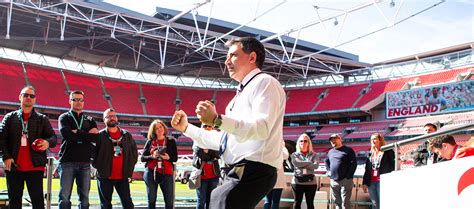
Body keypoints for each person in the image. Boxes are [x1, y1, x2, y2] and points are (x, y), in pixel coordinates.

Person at [171, 37, 286, 209]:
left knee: (219, 201)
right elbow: (223, 141)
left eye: (232, 55)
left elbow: (262, 129)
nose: (226, 62)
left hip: (252, 169)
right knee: (217, 200)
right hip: (239, 170)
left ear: (252, 57)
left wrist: (217, 120)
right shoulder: (241, 94)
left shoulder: (265, 82)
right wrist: (187, 128)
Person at [0, 86, 57, 209]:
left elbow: (53, 137)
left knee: (38, 202)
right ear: (20, 97)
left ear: (35, 99)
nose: (28, 98)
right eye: (25, 95)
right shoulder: (10, 117)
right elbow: (1, 138)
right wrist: (6, 156)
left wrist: (47, 143)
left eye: (32, 96)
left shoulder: (42, 119)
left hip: (35, 167)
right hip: (14, 166)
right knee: (14, 202)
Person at [58, 90, 99, 209]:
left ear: (83, 102)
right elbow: (67, 136)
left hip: (85, 163)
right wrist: (87, 134)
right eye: (75, 99)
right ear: (70, 101)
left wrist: (79, 132)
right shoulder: (64, 117)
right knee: (65, 198)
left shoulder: (90, 119)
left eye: (80, 99)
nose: (78, 102)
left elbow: (96, 138)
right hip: (67, 162)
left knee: (85, 199)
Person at [93, 108, 138, 209]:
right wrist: (99, 167)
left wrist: (129, 168)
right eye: (108, 117)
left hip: (122, 177)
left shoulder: (127, 135)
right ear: (104, 120)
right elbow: (93, 154)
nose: (112, 118)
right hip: (105, 177)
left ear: (117, 118)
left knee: (128, 204)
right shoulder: (99, 136)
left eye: (113, 116)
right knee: (106, 205)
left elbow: (134, 153)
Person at [141, 119, 178, 209]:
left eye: (160, 127)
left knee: (169, 201)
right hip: (151, 172)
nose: (159, 129)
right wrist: (152, 156)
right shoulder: (150, 141)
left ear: (164, 128)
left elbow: (175, 158)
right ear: (153, 131)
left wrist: (168, 157)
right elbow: (143, 158)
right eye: (156, 128)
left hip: (167, 173)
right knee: (152, 200)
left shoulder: (171, 141)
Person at [362, 133, 395, 209]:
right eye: (371, 139)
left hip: (383, 181)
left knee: (384, 203)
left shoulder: (388, 151)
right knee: (374, 204)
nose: (373, 141)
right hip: (371, 182)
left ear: (380, 140)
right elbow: (367, 169)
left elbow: (393, 165)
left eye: (375, 138)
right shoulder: (370, 153)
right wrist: (364, 182)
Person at [325, 134, 356, 209]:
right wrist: (329, 171)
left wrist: (348, 176)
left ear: (340, 139)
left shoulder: (348, 150)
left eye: (335, 139)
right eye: (331, 140)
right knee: (337, 203)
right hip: (334, 181)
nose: (333, 141)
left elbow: (353, 164)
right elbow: (326, 162)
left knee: (345, 203)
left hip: (346, 181)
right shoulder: (330, 152)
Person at [192, 125, 220, 209]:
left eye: (210, 126)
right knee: (201, 201)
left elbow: (218, 154)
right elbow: (200, 154)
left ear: (213, 128)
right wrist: (212, 154)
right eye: (205, 126)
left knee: (211, 201)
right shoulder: (196, 140)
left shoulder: (216, 139)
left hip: (214, 175)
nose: (207, 128)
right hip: (201, 176)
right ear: (201, 128)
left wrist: (208, 151)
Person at [290, 134, 319, 209]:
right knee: (297, 203)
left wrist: (302, 163)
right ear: (298, 143)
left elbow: (316, 166)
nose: (303, 142)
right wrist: (309, 162)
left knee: (310, 203)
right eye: (301, 141)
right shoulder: (294, 154)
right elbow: (296, 163)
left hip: (311, 182)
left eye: (305, 141)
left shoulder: (314, 154)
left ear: (309, 143)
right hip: (297, 182)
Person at [264, 141, 289, 209]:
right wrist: (281, 145)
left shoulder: (266, 147)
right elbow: (286, 155)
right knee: (275, 202)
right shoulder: (280, 147)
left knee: (268, 201)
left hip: (269, 178)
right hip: (276, 179)